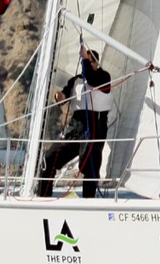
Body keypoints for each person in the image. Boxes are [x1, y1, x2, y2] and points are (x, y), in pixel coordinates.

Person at [37, 44, 111, 198]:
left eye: (90, 62)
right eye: (86, 62)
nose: (87, 65)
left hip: (95, 126)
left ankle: (89, 201)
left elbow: (92, 79)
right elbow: (64, 96)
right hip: (75, 126)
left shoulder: (104, 77)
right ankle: (43, 196)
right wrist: (59, 97)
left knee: (89, 164)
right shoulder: (75, 80)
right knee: (49, 158)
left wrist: (84, 58)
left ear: (96, 63)